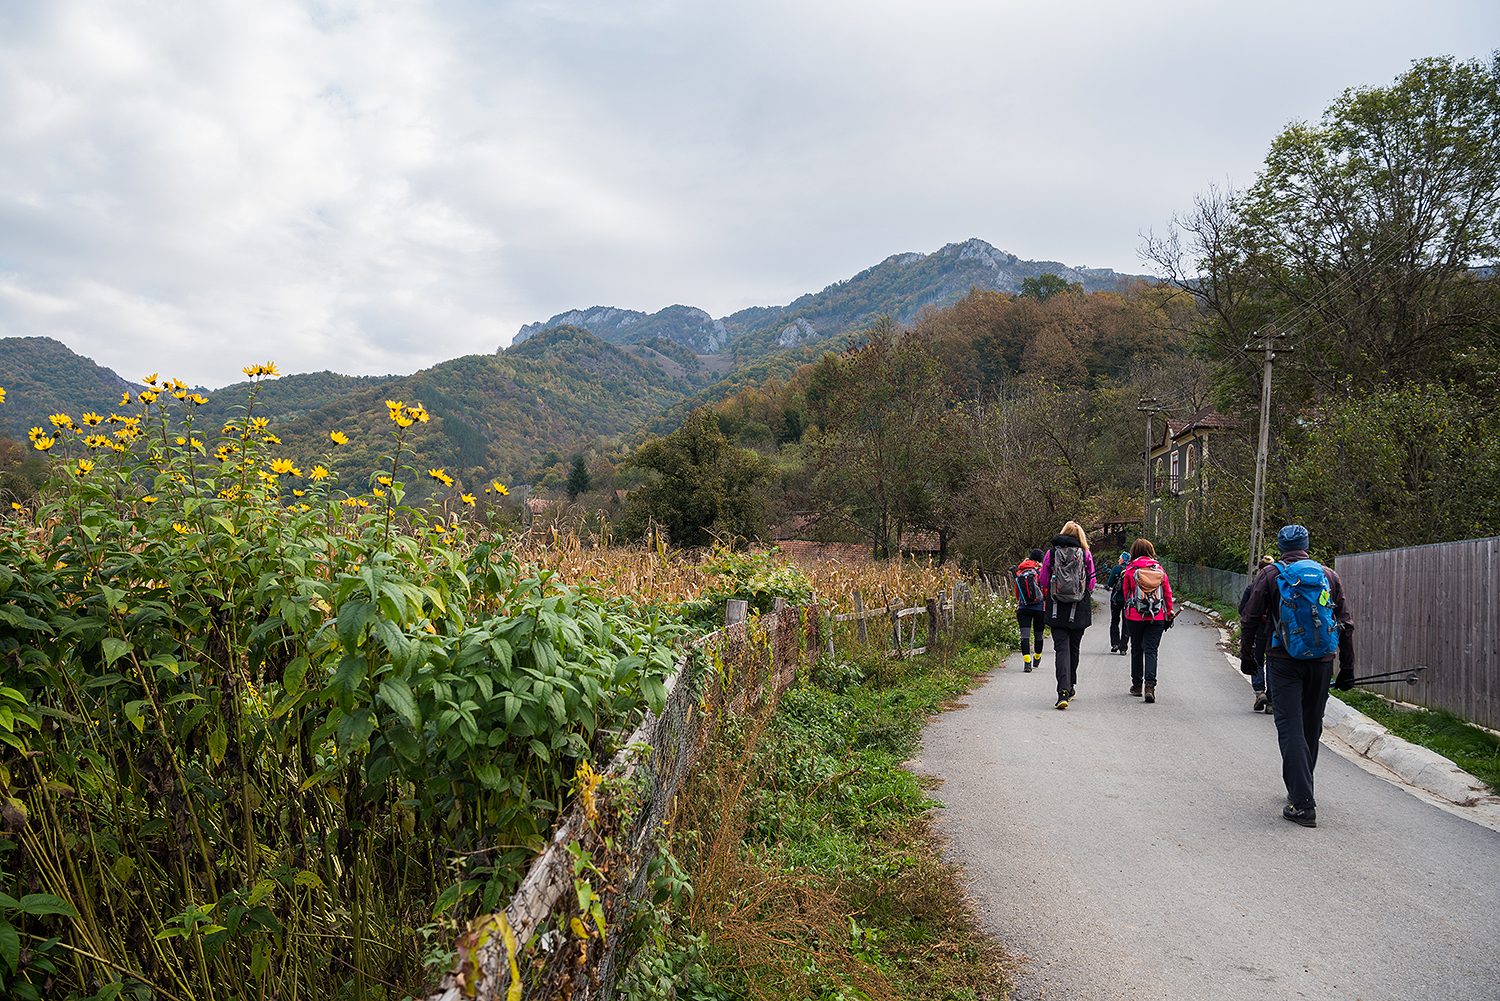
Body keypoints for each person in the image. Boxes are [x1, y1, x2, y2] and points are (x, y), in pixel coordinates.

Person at [1239, 524, 1354, 828]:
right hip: (1322, 661)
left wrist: (1248, 656)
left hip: (1283, 660)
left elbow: (1250, 618)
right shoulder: (1328, 575)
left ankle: (1303, 804)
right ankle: (1300, 787)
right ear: (1306, 544)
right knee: (1310, 726)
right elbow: (1345, 623)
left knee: (1290, 727)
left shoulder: (1270, 575)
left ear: (1280, 545)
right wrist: (1348, 669)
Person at [1038, 522, 1096, 710]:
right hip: (1079, 607)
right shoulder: (1086, 554)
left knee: (1061, 649)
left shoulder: (1051, 553)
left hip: (1056, 607)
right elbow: (1092, 583)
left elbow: (1044, 580)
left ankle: (1062, 691)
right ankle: (1070, 686)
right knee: (1074, 648)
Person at [1121, 539, 1173, 703]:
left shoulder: (1130, 569)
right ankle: (1149, 686)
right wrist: (1169, 612)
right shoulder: (1159, 569)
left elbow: (1126, 593)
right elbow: (1167, 593)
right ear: (1150, 551)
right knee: (1151, 650)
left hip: (1134, 616)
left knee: (1136, 648)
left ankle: (1137, 685)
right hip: (1156, 616)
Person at [1238, 554, 1277, 713]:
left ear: (1259, 570)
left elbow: (1242, 610)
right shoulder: (1280, 587)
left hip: (1259, 630)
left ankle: (1260, 692)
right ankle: (1271, 702)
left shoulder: (1252, 588)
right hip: (1276, 631)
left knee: (1258, 661)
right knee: (1273, 664)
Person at [1012, 548, 1047, 673]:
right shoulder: (1040, 571)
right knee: (1039, 635)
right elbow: (1045, 590)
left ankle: (1027, 663)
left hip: (1023, 608)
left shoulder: (1020, 571)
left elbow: (1017, 591)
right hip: (1039, 608)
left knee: (1025, 635)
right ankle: (1037, 659)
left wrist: (1019, 603)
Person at [1105, 551, 1131, 656]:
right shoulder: (1131, 569)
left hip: (1116, 599)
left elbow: (1110, 583)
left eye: (1120, 558)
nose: (1118, 560)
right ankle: (1123, 647)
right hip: (1128, 601)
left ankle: (1115, 643)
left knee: (1115, 621)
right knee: (1126, 623)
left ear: (1123, 559)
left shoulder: (1116, 568)